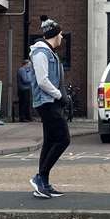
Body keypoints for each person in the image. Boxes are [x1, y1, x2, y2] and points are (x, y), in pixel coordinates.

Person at [29, 18, 70, 199]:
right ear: (54, 34)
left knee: (50, 141)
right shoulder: (40, 53)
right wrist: (60, 96)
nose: (62, 36)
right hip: (47, 103)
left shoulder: (48, 52)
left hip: (50, 102)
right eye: (60, 33)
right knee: (63, 139)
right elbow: (42, 80)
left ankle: (43, 183)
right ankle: (39, 178)